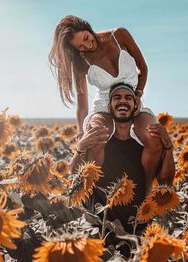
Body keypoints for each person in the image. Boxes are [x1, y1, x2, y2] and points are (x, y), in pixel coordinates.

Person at [50, 15, 164, 190]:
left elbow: (143, 67)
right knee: (97, 136)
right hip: (104, 104)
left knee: (153, 137)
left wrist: (138, 95)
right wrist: (82, 135)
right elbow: (82, 105)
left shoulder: (119, 35)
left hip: (131, 100)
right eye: (80, 46)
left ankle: (147, 189)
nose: (87, 45)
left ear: (88, 28)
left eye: (86, 38)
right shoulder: (81, 61)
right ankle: (92, 192)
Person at [70, 84, 175, 230]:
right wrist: (80, 148)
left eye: (128, 98)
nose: (123, 101)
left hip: (138, 225)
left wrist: (169, 148)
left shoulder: (145, 148)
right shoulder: (98, 143)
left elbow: (166, 182)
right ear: (109, 105)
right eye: (117, 97)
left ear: (135, 105)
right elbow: (75, 179)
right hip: (98, 226)